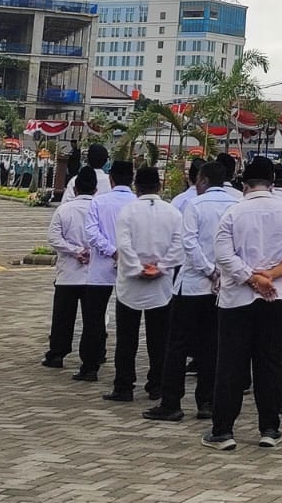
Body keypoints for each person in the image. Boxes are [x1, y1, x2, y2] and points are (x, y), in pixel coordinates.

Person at [202, 156, 282, 449]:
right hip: (276, 295)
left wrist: (251, 278)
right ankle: (269, 428)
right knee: (270, 361)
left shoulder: (233, 213)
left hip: (237, 298)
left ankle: (223, 430)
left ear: (245, 184)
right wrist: (269, 276)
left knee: (231, 364)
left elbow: (223, 256)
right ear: (272, 184)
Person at [146, 161, 233, 424]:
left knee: (178, 346)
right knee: (211, 345)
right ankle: (206, 401)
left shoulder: (195, 204)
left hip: (193, 285)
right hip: (221, 287)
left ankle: (171, 402)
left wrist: (208, 270)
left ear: (203, 180)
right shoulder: (235, 205)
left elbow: (189, 242)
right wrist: (221, 272)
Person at [108, 166, 182, 404]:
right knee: (159, 340)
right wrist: (160, 267)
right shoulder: (173, 213)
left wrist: (137, 268)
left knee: (127, 339)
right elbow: (179, 245)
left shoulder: (128, 212)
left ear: (136, 186)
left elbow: (124, 245)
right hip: (160, 284)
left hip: (131, 283)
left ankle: (124, 386)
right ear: (159, 186)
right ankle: (157, 386)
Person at [84, 162, 138, 388]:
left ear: (112, 180)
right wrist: (125, 253)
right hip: (131, 268)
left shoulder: (99, 202)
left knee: (94, 319)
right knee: (128, 324)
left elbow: (91, 233)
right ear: (132, 180)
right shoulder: (137, 204)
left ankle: (90, 366)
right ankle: (125, 372)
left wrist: (111, 251)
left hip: (100, 268)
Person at [44, 167, 102, 371]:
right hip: (94, 274)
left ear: (75, 188)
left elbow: (53, 238)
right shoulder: (100, 208)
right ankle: (92, 359)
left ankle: (57, 354)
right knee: (93, 320)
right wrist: (90, 252)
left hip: (68, 272)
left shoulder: (64, 209)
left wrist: (75, 251)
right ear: (96, 189)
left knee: (63, 317)